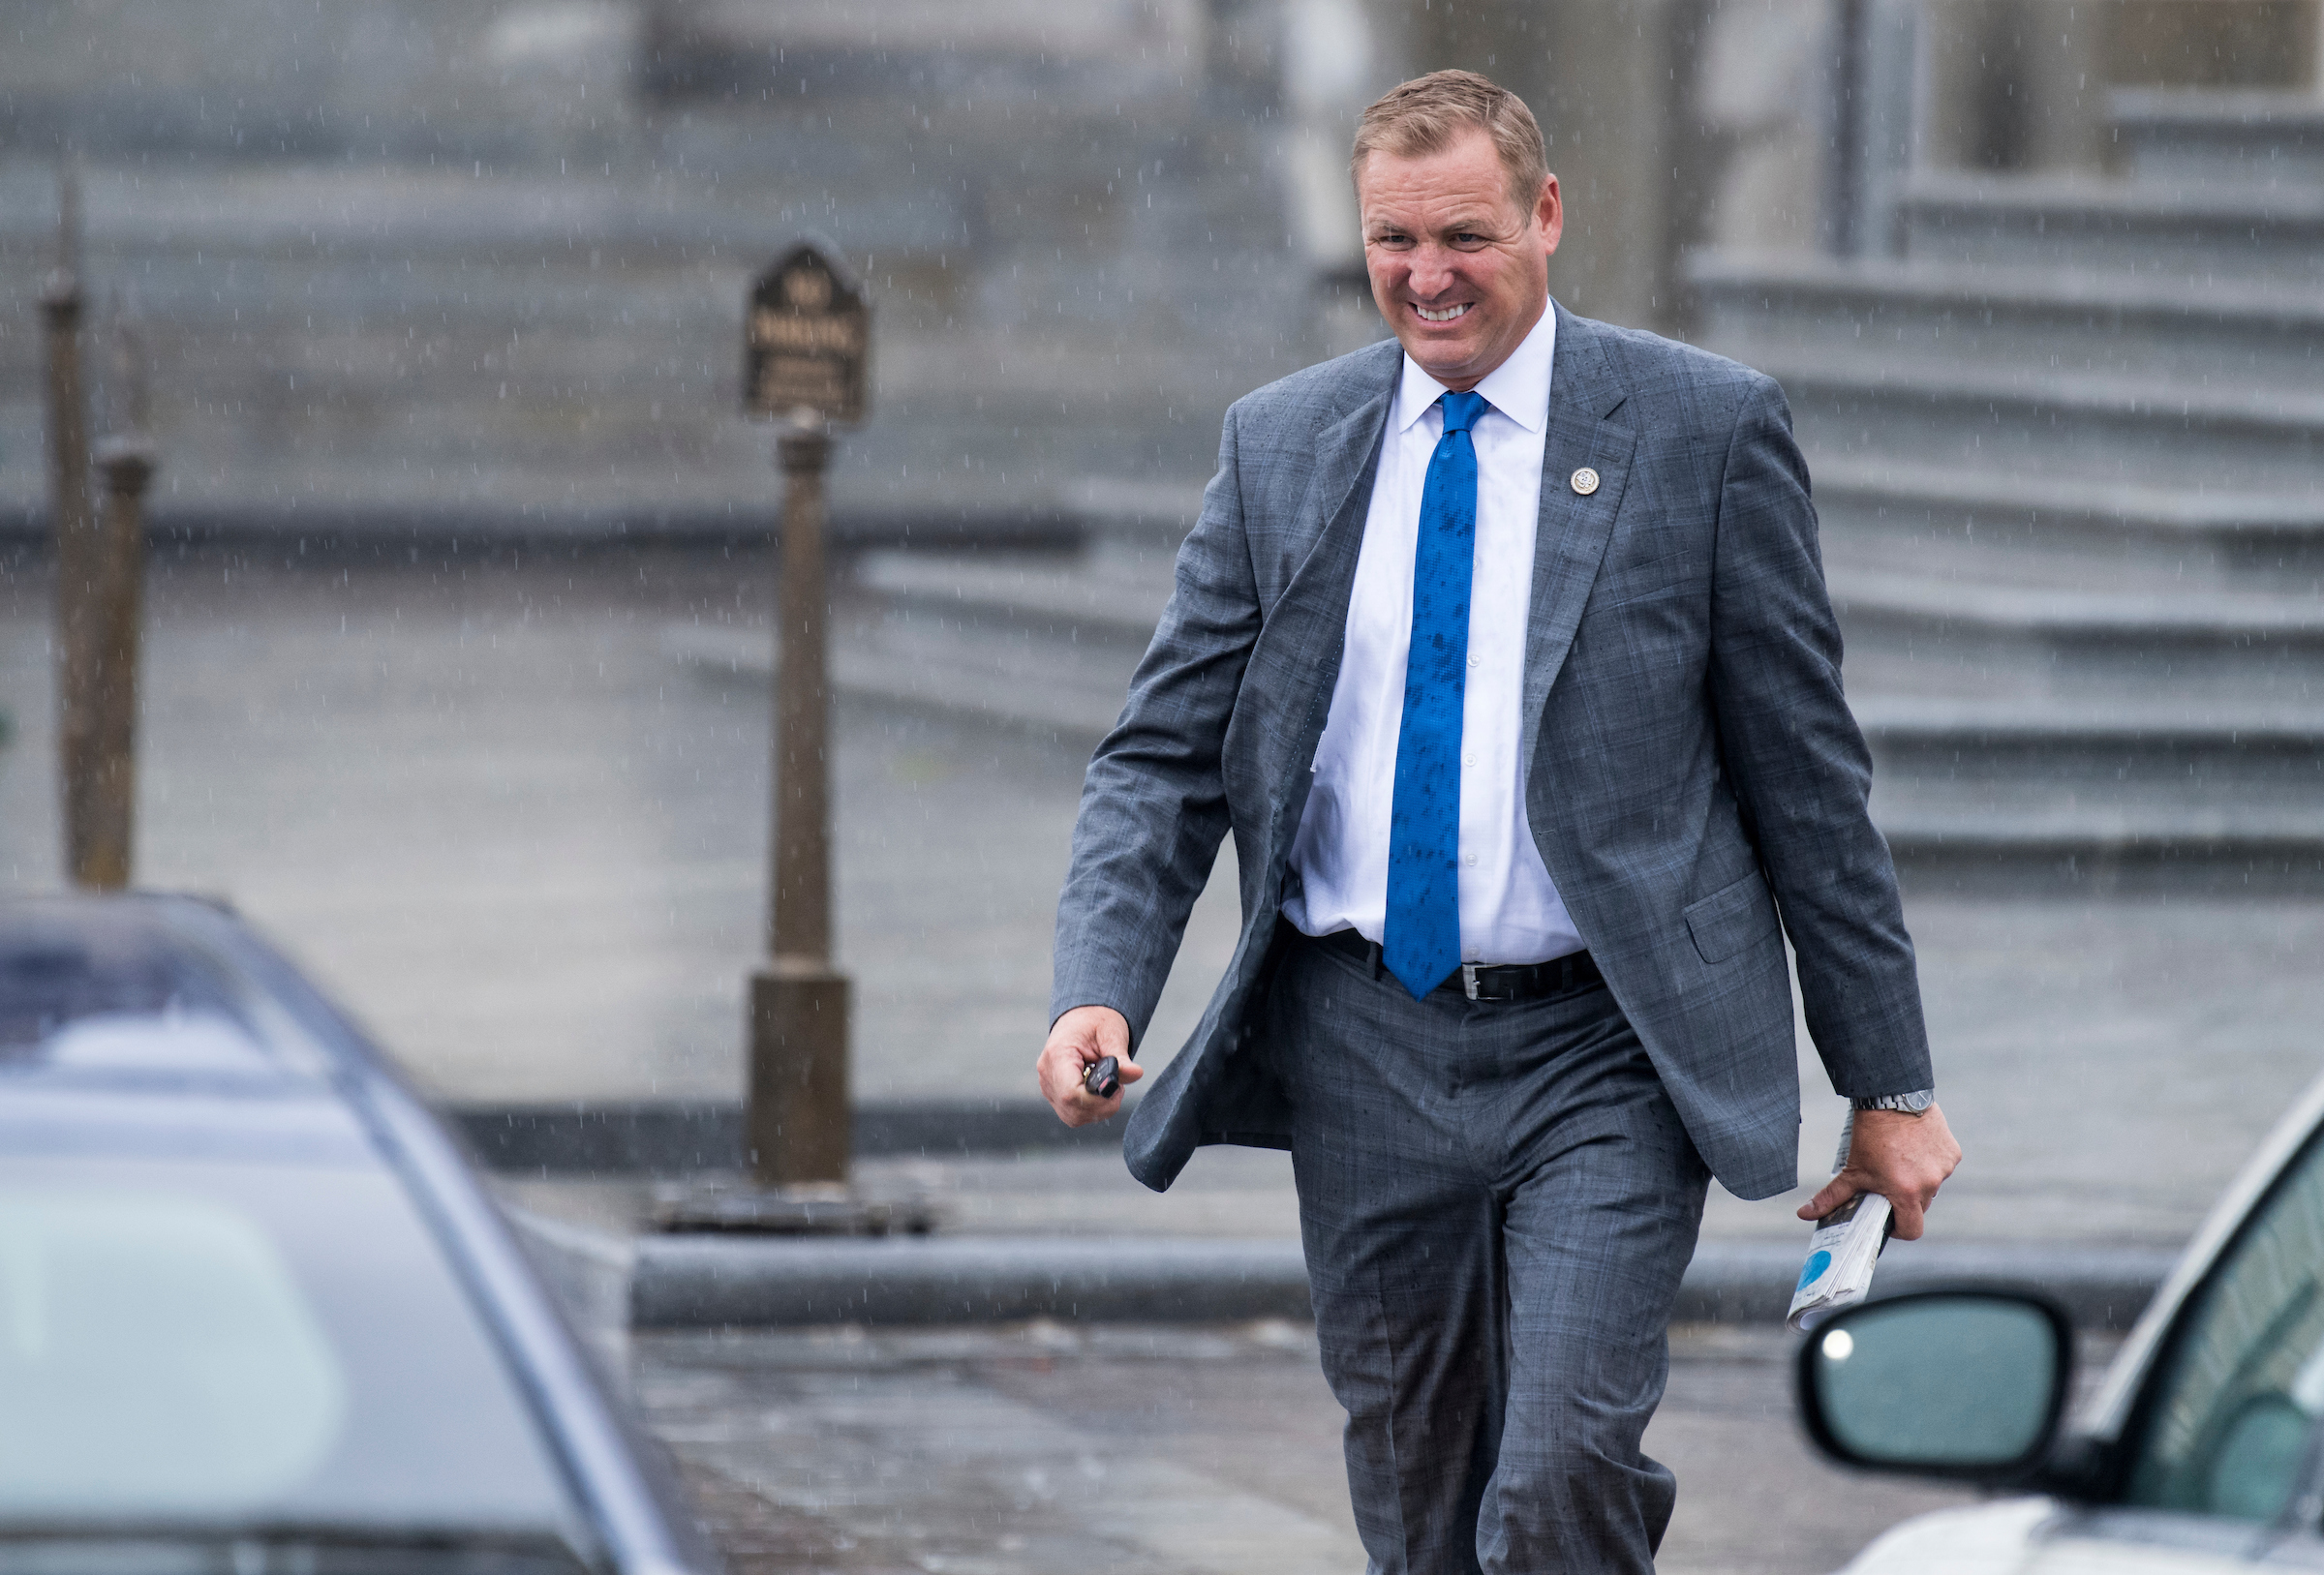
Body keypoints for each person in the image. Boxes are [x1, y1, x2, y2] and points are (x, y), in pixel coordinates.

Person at [1035, 69, 1960, 1575]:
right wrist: (1099, 980)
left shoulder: (1701, 432)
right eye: (1393, 242)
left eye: (1462, 234)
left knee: (1554, 1476)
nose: (1426, 277)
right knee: (1420, 1504)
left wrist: (1892, 1081)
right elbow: (1162, 752)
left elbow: (1808, 781)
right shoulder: (1284, 445)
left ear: (1544, 215)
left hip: (1605, 1047)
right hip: (1361, 1045)